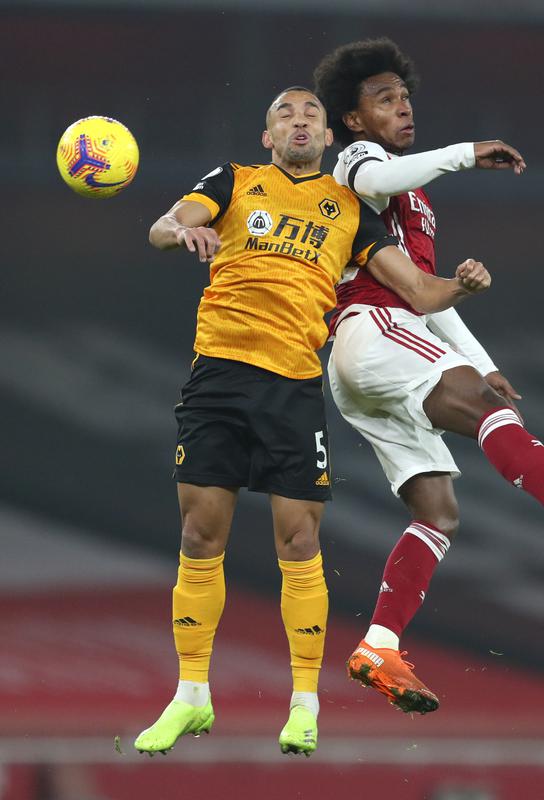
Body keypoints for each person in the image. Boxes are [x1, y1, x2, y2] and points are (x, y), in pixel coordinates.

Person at [133, 86, 491, 757]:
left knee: (298, 544)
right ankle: (190, 696)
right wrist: (182, 229)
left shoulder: (350, 210)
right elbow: (162, 224)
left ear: (328, 139)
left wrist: (460, 287)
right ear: (267, 137)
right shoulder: (233, 181)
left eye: (311, 115)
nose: (299, 120)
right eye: (284, 115)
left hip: (293, 385)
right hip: (218, 374)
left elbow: (416, 290)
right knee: (199, 535)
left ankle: (304, 705)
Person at [313, 38, 544, 715]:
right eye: (383, 100)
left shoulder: (415, 200)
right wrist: (468, 153)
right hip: (369, 331)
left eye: (404, 96)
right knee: (483, 413)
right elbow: (379, 182)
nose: (401, 107)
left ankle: (379, 644)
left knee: (437, 512)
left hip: (375, 354)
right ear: (354, 120)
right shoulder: (358, 163)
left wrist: (487, 365)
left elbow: (423, 294)